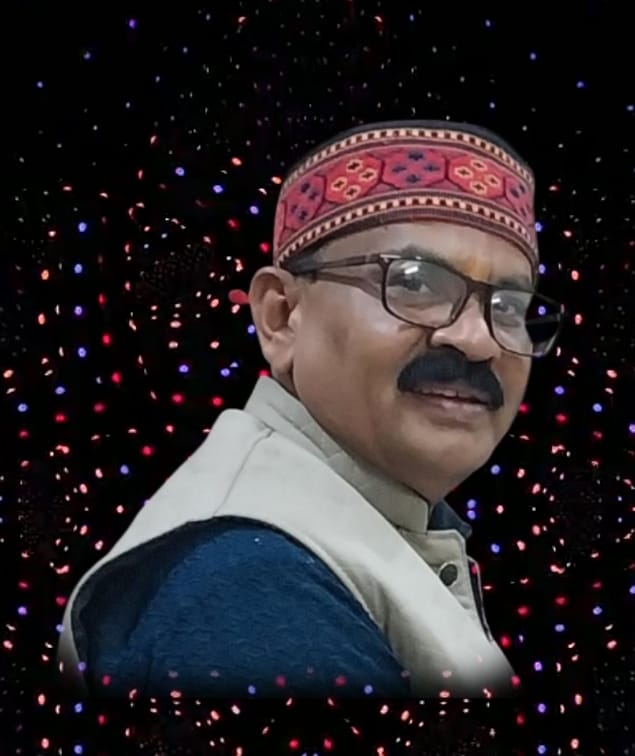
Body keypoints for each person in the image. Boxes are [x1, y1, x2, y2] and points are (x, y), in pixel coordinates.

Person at [57, 120, 565, 699]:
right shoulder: (247, 586)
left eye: (509, 306)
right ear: (281, 316)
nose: (477, 340)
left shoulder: (361, 531)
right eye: (416, 283)